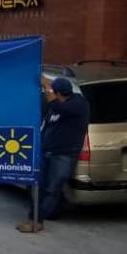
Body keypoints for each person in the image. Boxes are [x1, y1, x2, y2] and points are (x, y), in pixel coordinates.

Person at [18, 76, 91, 233]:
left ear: (58, 93)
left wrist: (47, 85)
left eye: (50, 92)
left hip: (63, 156)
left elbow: (59, 108)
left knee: (53, 189)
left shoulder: (78, 104)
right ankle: (34, 219)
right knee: (35, 186)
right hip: (46, 152)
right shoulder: (54, 106)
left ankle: (37, 221)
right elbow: (48, 125)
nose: (47, 94)